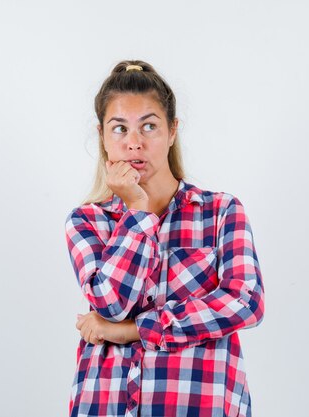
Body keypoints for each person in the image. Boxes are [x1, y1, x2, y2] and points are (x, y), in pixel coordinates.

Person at [64, 59, 265, 417]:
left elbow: (245, 302)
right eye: (119, 129)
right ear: (102, 137)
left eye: (149, 127)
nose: (134, 143)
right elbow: (111, 304)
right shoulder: (88, 221)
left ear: (172, 131)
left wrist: (132, 331)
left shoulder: (220, 212)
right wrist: (138, 213)